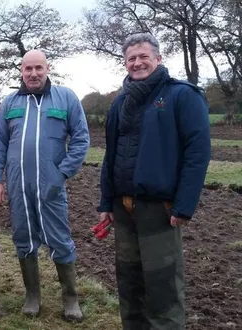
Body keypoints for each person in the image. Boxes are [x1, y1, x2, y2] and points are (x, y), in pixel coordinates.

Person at [97, 33, 210, 329]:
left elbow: (197, 154)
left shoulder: (183, 96)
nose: (138, 63)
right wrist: (106, 202)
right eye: (131, 58)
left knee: (163, 286)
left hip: (159, 209)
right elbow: (111, 155)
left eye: (144, 56)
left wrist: (184, 206)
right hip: (123, 208)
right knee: (129, 283)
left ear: (158, 59)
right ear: (125, 63)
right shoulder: (119, 102)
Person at [0, 50, 89, 322]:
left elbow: (81, 139)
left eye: (38, 68)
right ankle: (33, 295)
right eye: (28, 68)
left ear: (47, 68)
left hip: (51, 185)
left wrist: (63, 172)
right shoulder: (10, 103)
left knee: (59, 239)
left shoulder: (66, 98)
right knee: (23, 238)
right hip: (19, 185)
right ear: (21, 70)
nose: (33, 74)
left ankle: (70, 297)